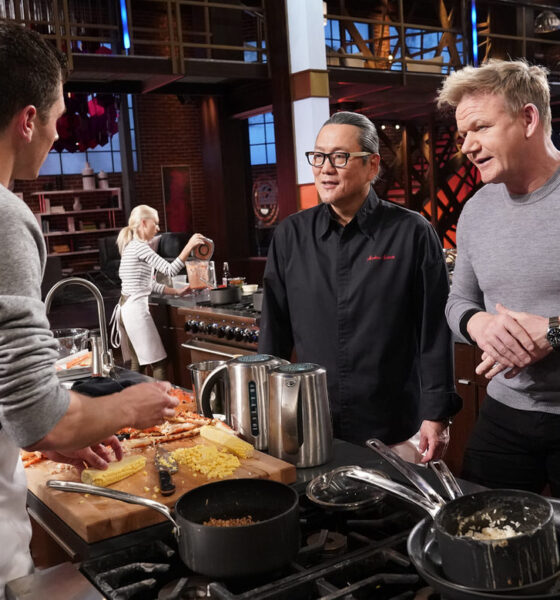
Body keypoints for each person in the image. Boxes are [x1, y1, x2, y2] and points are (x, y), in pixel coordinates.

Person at [0, 23, 179, 597]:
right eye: (54, 117)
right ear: (28, 119)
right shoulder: (3, 216)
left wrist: (53, 437)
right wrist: (132, 405)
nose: (54, 134)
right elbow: (37, 414)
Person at [259, 111, 461, 458]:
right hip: (311, 424)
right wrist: (265, 407)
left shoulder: (412, 232)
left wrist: (437, 413)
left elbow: (434, 330)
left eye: (340, 157)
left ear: (372, 165)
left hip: (394, 425)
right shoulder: (291, 234)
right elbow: (273, 331)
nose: (325, 168)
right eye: (318, 156)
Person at [438, 59, 560, 494]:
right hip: (507, 414)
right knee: (479, 538)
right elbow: (457, 303)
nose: (467, 146)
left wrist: (555, 332)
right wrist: (480, 324)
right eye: (462, 135)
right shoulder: (477, 209)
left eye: (481, 128)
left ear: (528, 118)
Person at [112, 205, 207, 379]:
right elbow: (170, 270)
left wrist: (176, 291)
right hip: (135, 311)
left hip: (125, 310)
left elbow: (149, 284)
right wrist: (189, 245)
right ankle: (161, 405)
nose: (158, 228)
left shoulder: (130, 247)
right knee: (159, 363)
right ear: (143, 223)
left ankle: (136, 403)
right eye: (155, 224)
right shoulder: (141, 247)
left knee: (137, 364)